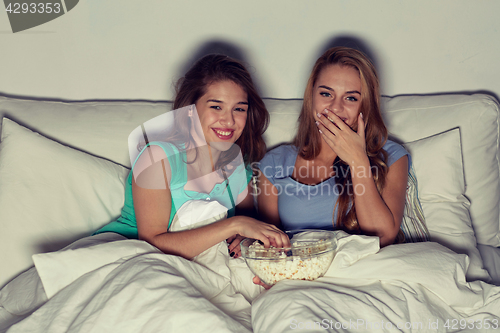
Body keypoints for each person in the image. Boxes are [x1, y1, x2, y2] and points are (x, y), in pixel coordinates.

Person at [95, 54, 290, 259]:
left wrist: (247, 238)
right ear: (190, 110)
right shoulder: (157, 158)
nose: (229, 120)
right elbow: (152, 242)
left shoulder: (239, 163)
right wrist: (235, 225)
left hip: (198, 262)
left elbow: (250, 223)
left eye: (239, 109)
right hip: (130, 252)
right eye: (216, 106)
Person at [257, 47, 409, 248]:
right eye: (326, 94)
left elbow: (381, 236)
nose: (336, 107)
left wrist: (358, 161)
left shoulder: (392, 157)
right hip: (301, 275)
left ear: (366, 104)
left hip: (364, 275)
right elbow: (272, 247)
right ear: (311, 97)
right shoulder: (274, 163)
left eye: (351, 97)